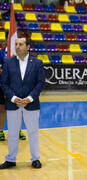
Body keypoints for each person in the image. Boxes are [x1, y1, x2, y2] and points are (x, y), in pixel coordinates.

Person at [0, 36, 45, 169]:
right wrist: (13, 98)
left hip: (31, 104)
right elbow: (4, 83)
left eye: (21, 44)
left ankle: (35, 159)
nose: (17, 46)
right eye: (16, 44)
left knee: (33, 132)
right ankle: (11, 159)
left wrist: (29, 98)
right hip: (13, 104)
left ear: (28, 47)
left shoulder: (37, 63)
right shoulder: (8, 62)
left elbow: (40, 83)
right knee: (12, 133)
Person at [0, 34, 26, 141]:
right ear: (7, 39)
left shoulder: (21, 54)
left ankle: (18, 130)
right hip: (3, 85)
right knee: (2, 109)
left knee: (18, 108)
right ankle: (1, 132)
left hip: (17, 85)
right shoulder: (1, 53)